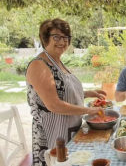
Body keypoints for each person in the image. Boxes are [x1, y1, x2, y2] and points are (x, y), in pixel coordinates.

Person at [26, 18, 106, 166]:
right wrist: (89, 110)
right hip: (53, 138)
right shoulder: (39, 65)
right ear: (45, 38)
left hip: (69, 132)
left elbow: (64, 92)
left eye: (66, 38)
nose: (62, 42)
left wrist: (89, 93)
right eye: (56, 37)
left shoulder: (57, 62)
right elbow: (54, 105)